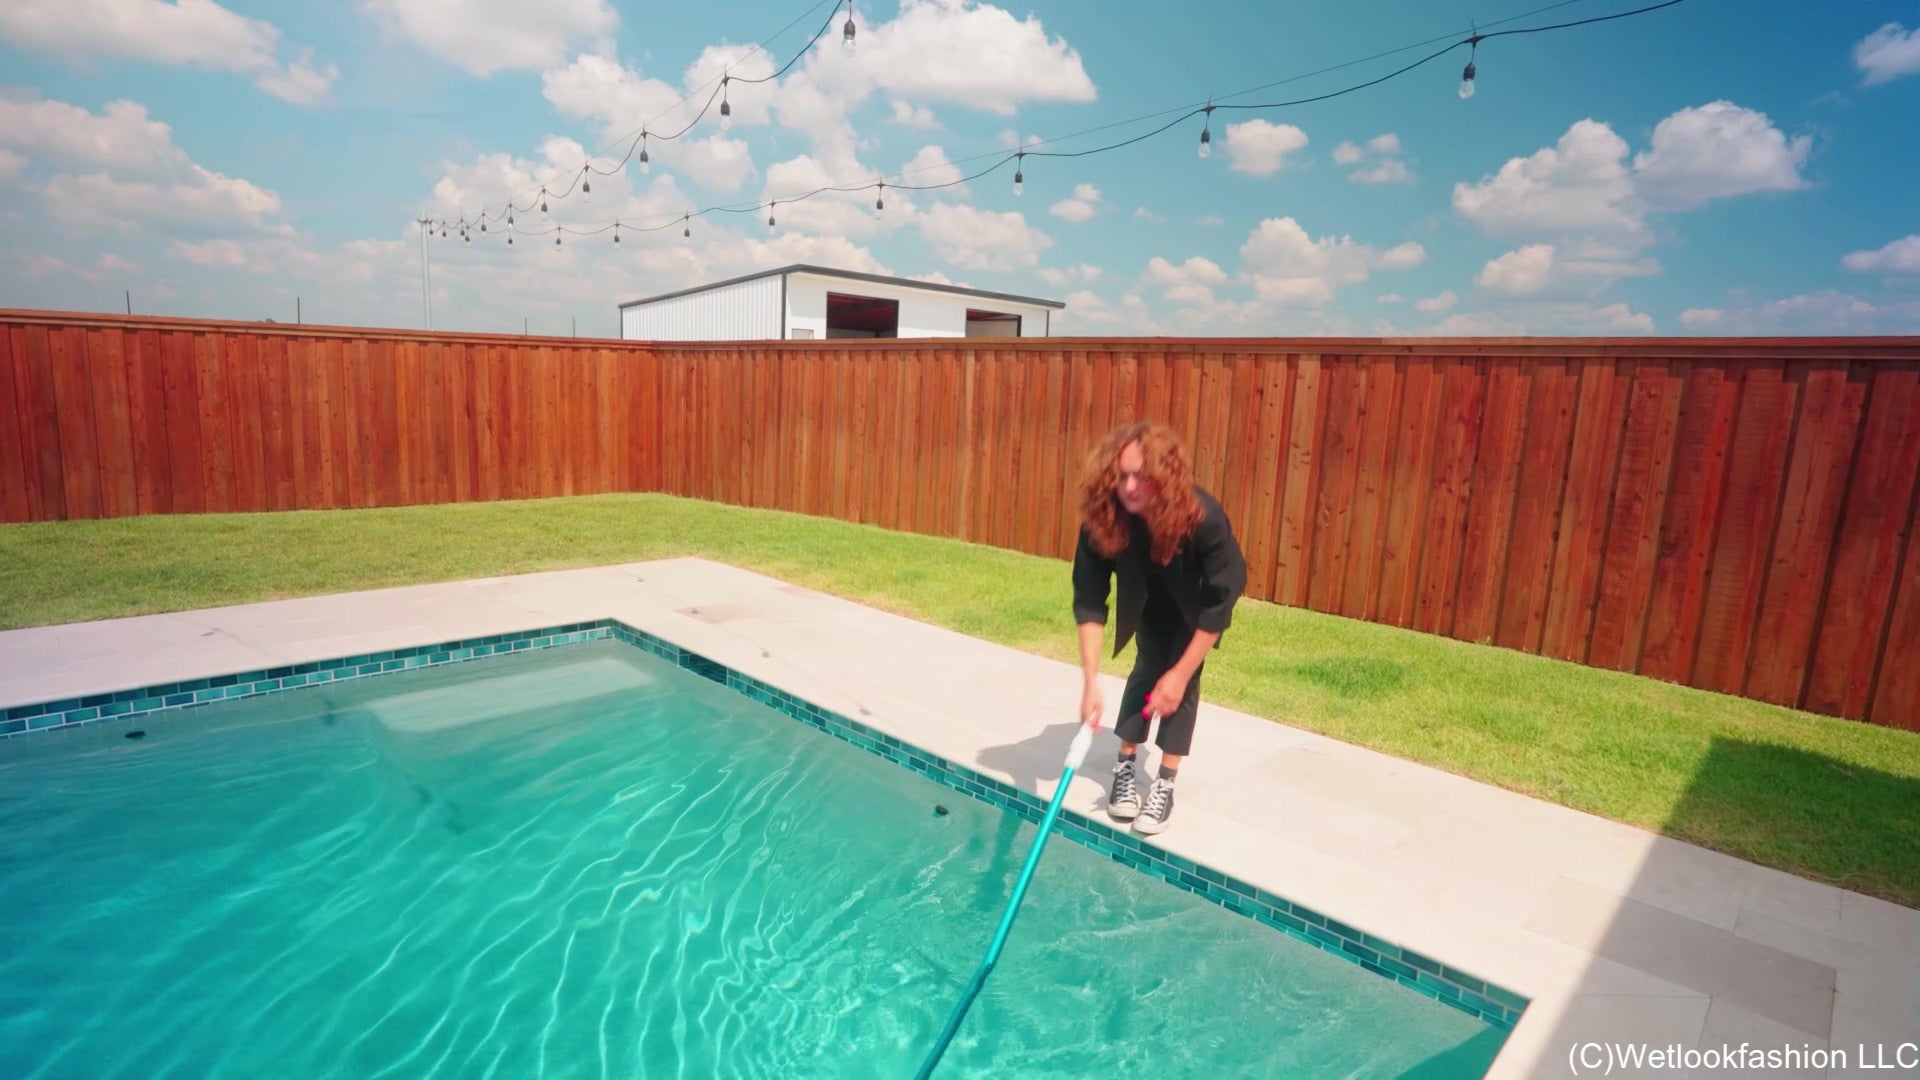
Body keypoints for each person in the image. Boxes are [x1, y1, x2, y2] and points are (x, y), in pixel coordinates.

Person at [1071, 420, 1247, 836]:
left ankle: (1165, 781)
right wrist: (1091, 681)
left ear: (1164, 477)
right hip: (1147, 593)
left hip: (1195, 601)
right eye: (1122, 476)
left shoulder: (1203, 517)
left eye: (1142, 476)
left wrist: (1181, 673)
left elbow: (1222, 598)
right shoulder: (1104, 519)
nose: (1130, 487)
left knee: (1179, 683)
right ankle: (1125, 765)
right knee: (1148, 664)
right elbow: (1090, 601)